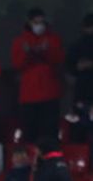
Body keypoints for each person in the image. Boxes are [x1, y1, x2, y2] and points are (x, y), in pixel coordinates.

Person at [11, 8, 65, 144]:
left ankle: (50, 156)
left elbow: (58, 59)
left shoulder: (53, 39)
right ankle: (31, 156)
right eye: (36, 22)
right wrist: (28, 53)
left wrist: (45, 51)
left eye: (41, 22)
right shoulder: (20, 41)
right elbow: (17, 64)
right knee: (30, 133)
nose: (39, 25)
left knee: (50, 132)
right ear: (29, 22)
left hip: (49, 93)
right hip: (29, 95)